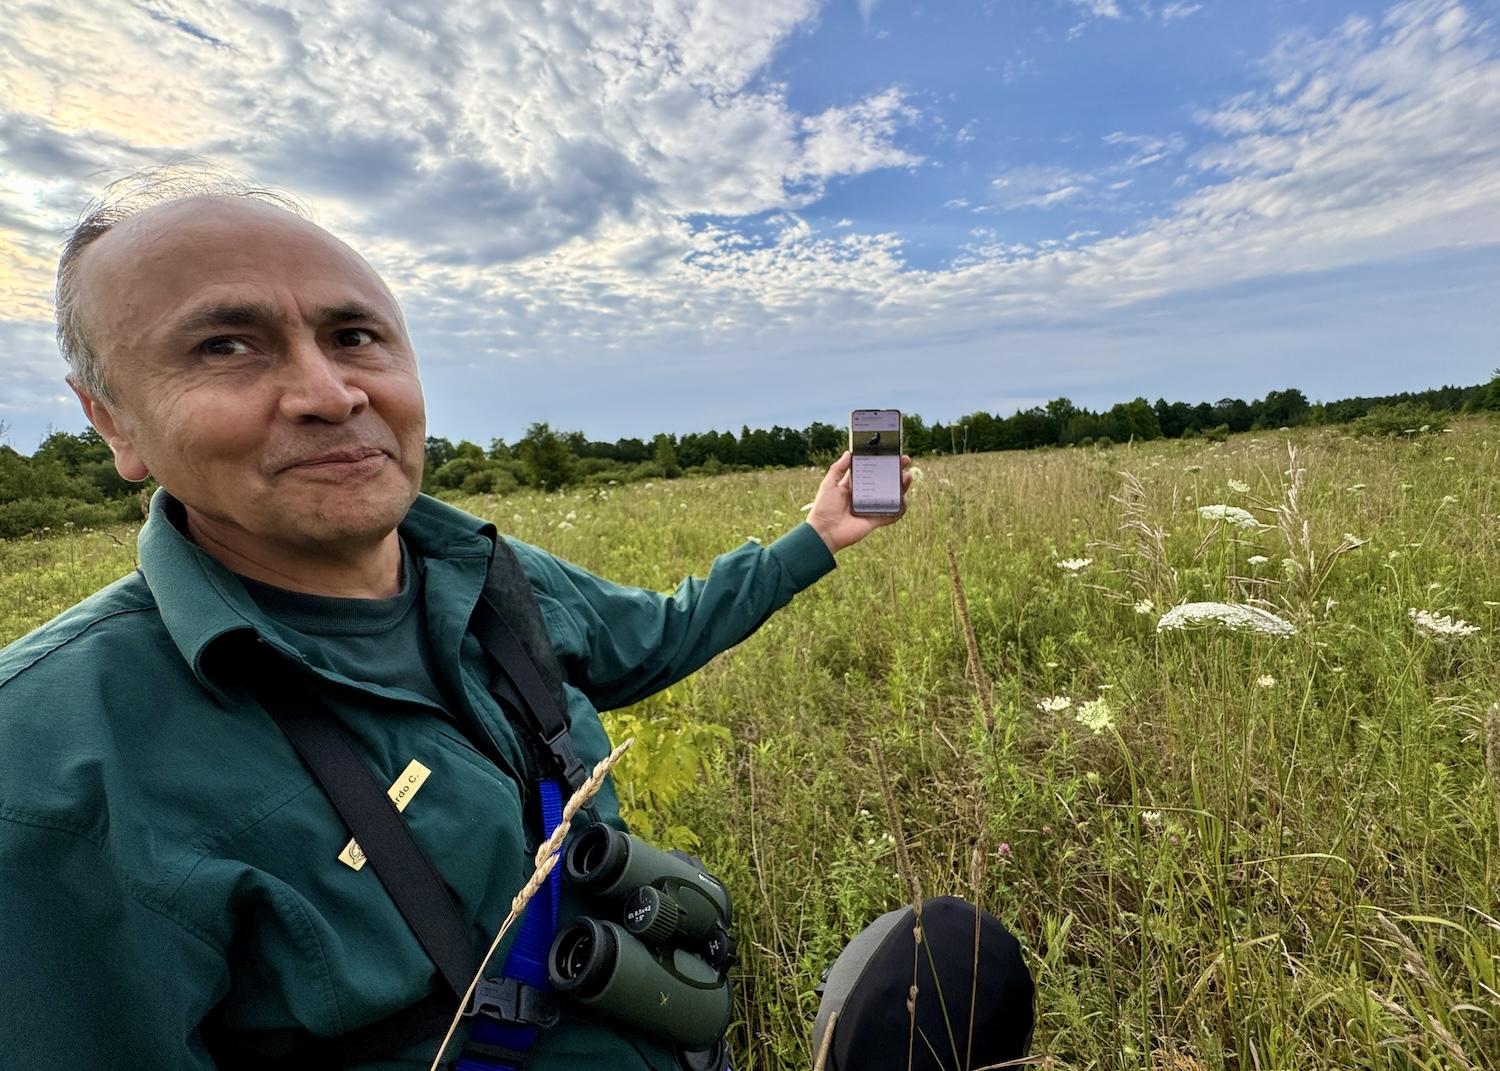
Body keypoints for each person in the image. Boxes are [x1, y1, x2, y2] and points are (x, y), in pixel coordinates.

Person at [0, 171, 912, 1070]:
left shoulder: (487, 575)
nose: (329, 393)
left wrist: (818, 536)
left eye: (355, 335)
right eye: (225, 347)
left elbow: (660, 637)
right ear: (111, 420)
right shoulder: (50, 762)